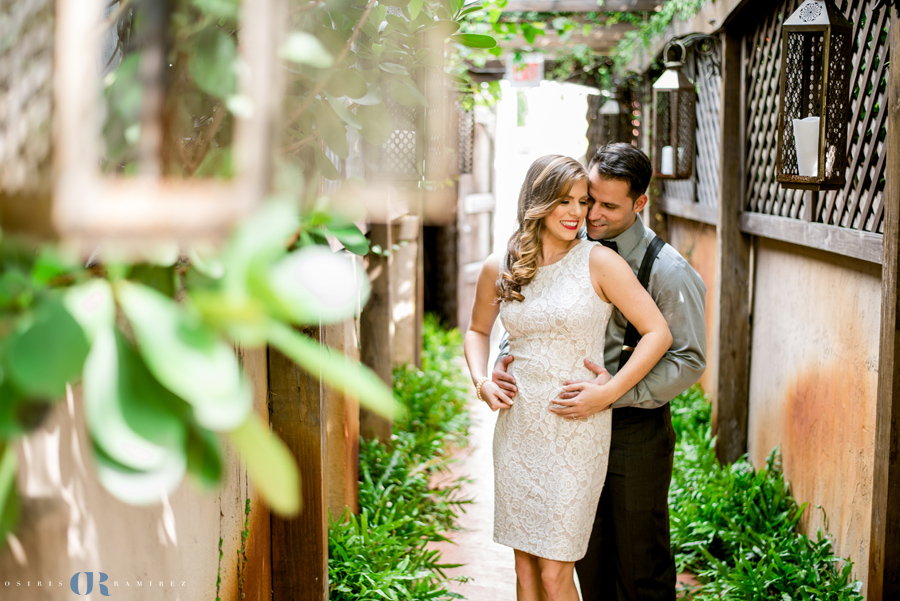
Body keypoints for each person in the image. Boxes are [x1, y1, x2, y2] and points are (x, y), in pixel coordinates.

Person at [492, 143, 708, 601]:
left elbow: (687, 359)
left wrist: (612, 394)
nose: (590, 214)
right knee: (580, 557)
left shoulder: (667, 270)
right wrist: (503, 361)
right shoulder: (567, 248)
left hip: (632, 427)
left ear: (639, 204)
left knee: (638, 559)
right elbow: (535, 318)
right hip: (566, 426)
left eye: (607, 206)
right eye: (589, 199)